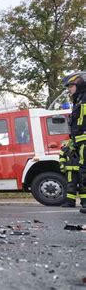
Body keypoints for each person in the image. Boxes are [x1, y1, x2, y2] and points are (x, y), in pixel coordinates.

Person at [63, 71, 86, 213]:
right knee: (83, 173)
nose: (68, 90)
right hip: (80, 143)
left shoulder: (84, 100)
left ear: (78, 84)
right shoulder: (78, 101)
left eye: (70, 86)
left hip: (84, 141)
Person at [59, 139, 85, 207]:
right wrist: (62, 165)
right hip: (70, 170)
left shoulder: (82, 146)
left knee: (83, 186)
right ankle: (70, 203)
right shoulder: (65, 149)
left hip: (81, 170)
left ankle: (84, 202)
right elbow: (62, 157)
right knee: (70, 186)